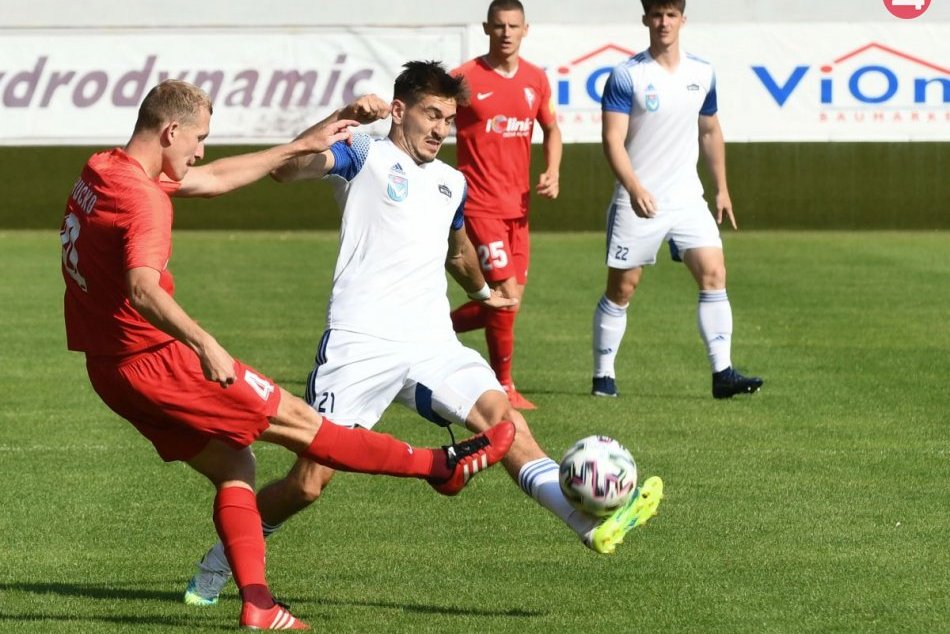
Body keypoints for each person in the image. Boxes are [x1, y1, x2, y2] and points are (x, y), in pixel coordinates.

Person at [182, 61, 664, 607]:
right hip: (360, 342)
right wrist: (340, 119)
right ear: (398, 110)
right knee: (309, 483)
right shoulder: (363, 153)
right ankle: (221, 558)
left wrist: (484, 293)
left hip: (432, 342)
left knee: (503, 421)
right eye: (431, 115)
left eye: (449, 119)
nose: (440, 129)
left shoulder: (451, 182)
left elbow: (457, 252)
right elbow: (286, 171)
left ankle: (587, 524)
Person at [60, 79, 514, 631]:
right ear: (170, 130)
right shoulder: (145, 199)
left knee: (235, 464)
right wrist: (206, 345)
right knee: (307, 427)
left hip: (109, 371)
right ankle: (439, 466)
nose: (202, 151)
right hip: (159, 361)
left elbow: (218, 178)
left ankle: (258, 605)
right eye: (198, 138)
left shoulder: (103, 170)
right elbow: (142, 288)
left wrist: (307, 140)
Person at [590, 0, 764, 400]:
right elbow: (612, 140)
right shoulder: (626, 75)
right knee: (623, 288)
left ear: (683, 19)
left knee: (714, 273)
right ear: (645, 19)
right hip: (638, 199)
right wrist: (634, 187)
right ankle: (603, 376)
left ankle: (723, 373)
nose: (663, 22)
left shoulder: (702, 72)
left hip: (688, 198)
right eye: (656, 14)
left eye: (670, 15)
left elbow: (709, 130)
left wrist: (721, 188)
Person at [448, 0, 562, 410]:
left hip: (520, 209)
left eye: (514, 26)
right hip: (480, 205)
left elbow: (552, 130)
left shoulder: (536, 80)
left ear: (525, 29)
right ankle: (504, 387)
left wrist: (553, 170)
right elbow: (430, 114)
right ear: (486, 28)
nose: (506, 33)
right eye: (499, 26)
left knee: (506, 306)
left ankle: (432, 330)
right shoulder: (463, 78)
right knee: (506, 296)